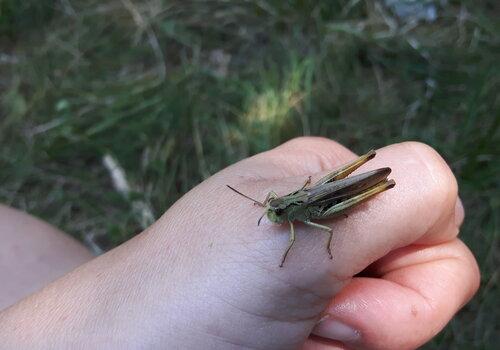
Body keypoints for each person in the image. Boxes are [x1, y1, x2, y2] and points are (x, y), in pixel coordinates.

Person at [0, 138, 480, 349]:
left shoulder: (296, 222)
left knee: (360, 189)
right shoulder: (279, 215)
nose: (271, 217)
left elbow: (323, 228)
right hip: (311, 197)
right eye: (271, 212)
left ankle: (375, 181)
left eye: (273, 213)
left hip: (329, 199)